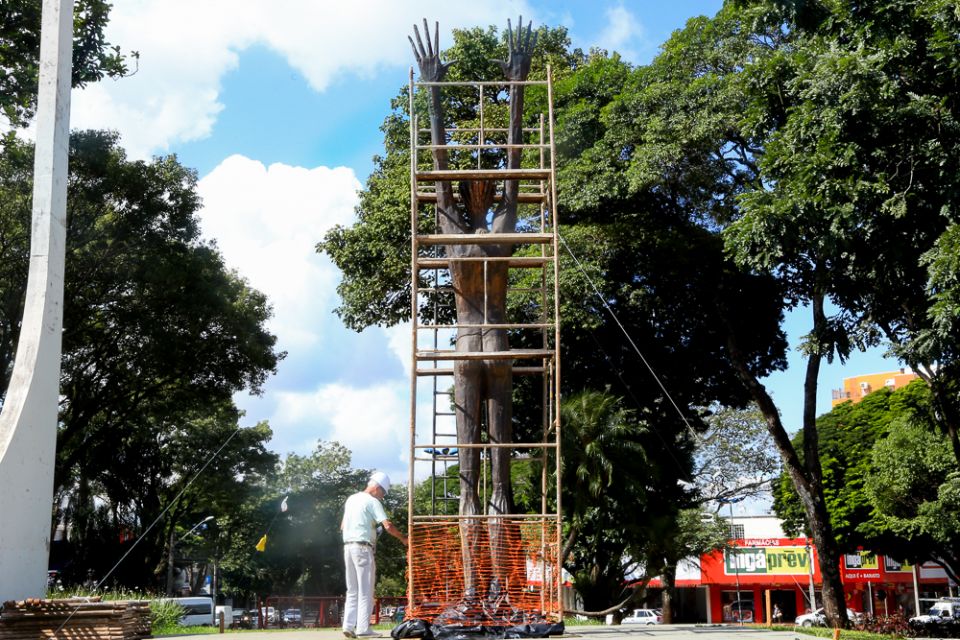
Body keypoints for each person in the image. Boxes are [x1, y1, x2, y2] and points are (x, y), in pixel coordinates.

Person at [341, 472, 407, 639]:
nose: (383, 497)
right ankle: (363, 629)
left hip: (348, 548)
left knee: (352, 590)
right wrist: (404, 539)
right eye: (383, 493)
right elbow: (388, 526)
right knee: (366, 591)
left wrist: (369, 528)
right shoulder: (373, 501)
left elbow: (343, 525)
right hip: (363, 549)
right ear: (377, 488)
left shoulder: (352, 498)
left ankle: (348, 626)